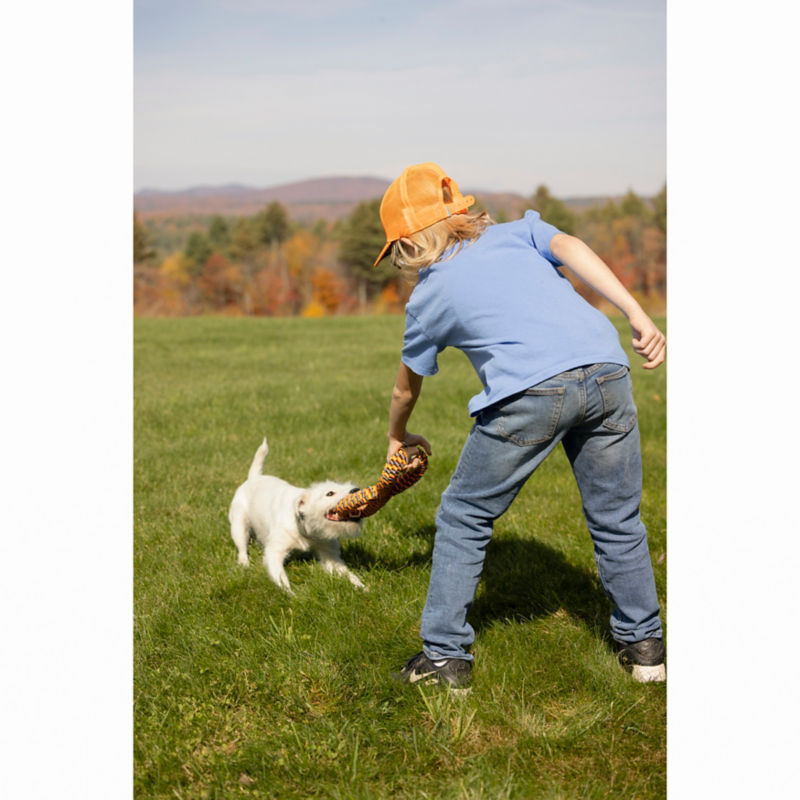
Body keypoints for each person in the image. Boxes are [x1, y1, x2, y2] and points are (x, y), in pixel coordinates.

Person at [376, 163, 666, 690]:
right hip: (607, 369)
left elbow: (404, 389)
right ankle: (645, 647)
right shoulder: (516, 232)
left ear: (408, 244)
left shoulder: (427, 297)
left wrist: (398, 437)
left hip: (530, 394)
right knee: (617, 516)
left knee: (464, 514)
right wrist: (636, 313)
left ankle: (444, 658)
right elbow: (572, 246)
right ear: (459, 210)